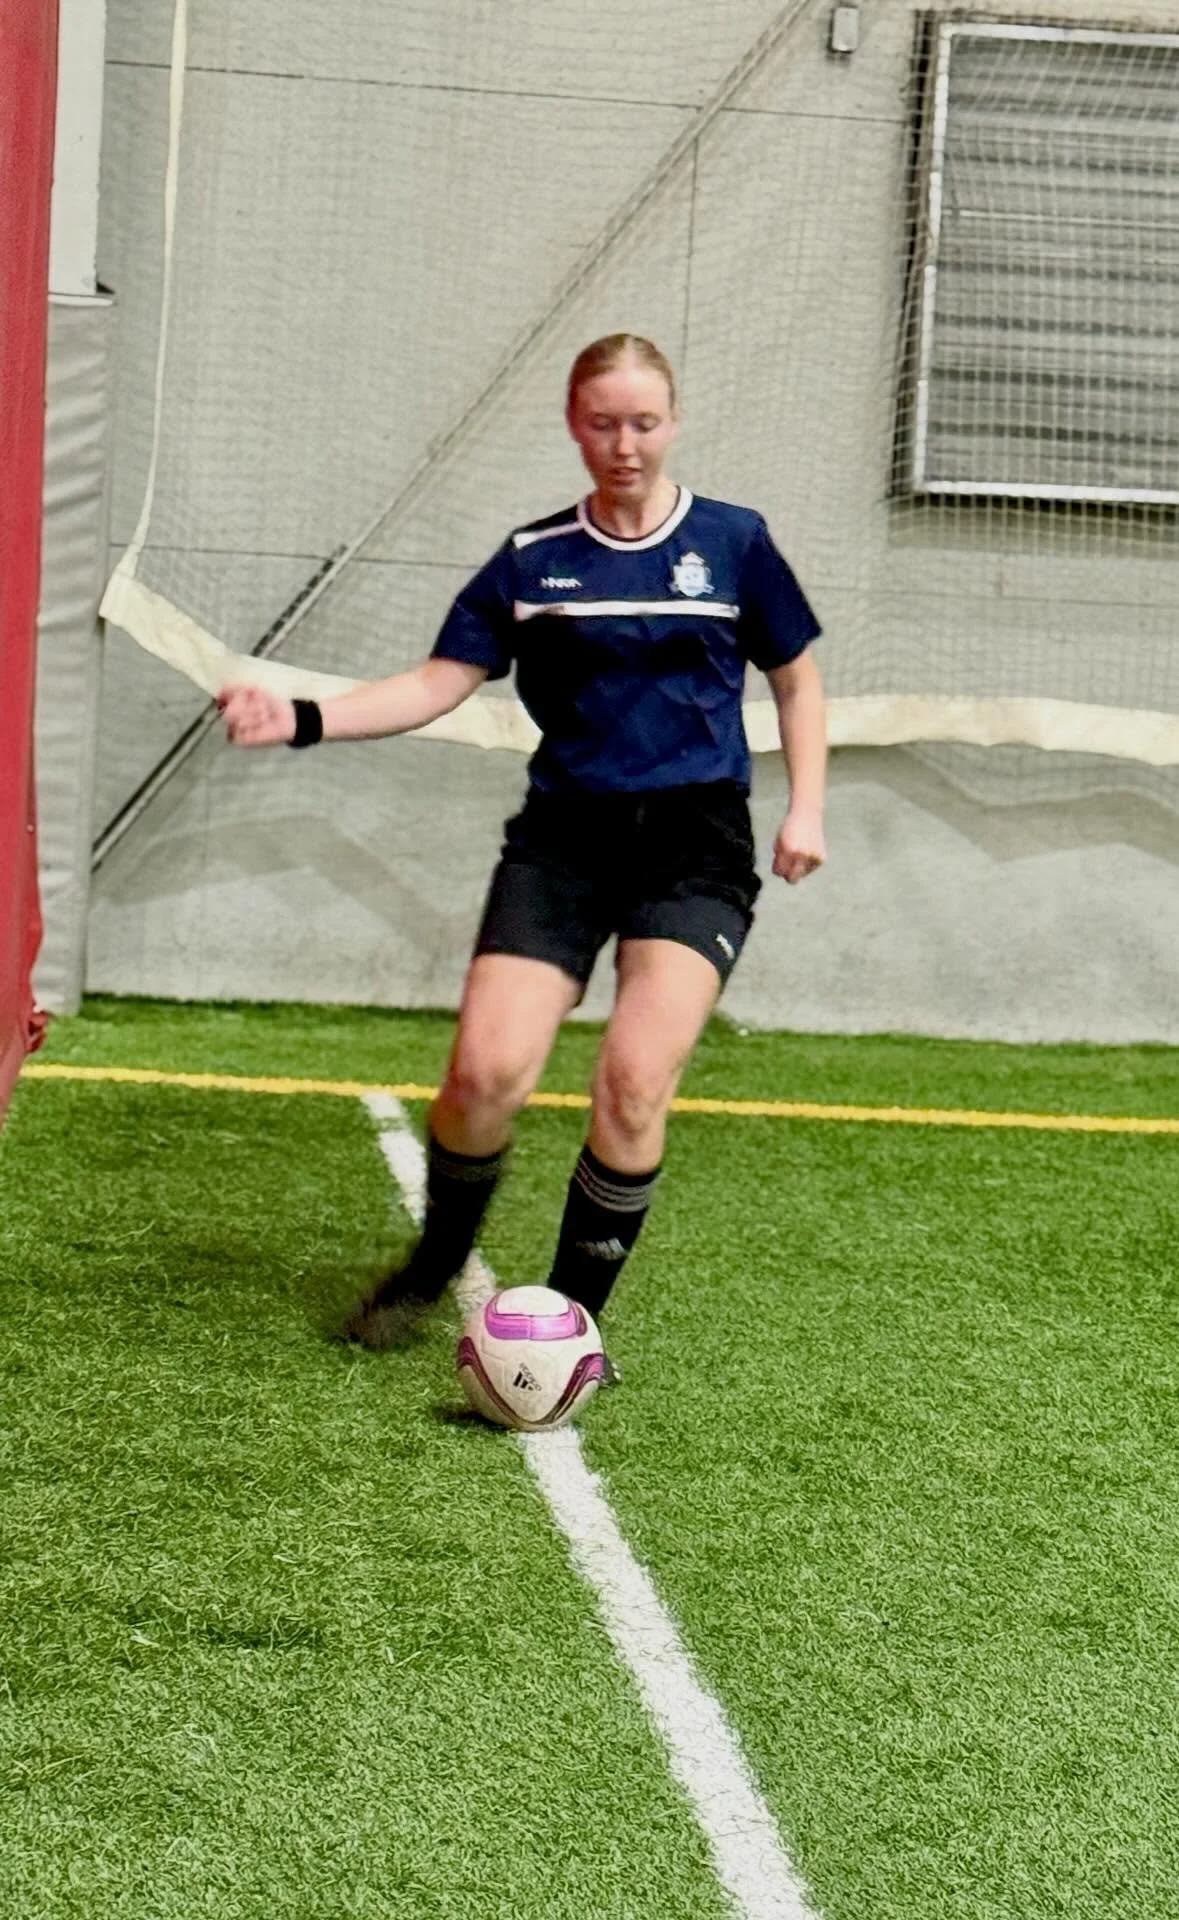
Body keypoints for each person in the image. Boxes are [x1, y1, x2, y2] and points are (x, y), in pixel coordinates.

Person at [219, 332, 827, 1356]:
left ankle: (569, 1327)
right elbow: (437, 682)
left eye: (643, 423)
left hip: (695, 847)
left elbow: (796, 679)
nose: (624, 445)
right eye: (603, 424)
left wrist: (808, 807)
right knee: (485, 1075)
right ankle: (434, 1265)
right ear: (573, 425)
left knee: (633, 1083)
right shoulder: (534, 559)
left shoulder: (733, 543)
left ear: (673, 423)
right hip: (563, 845)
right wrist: (305, 716)